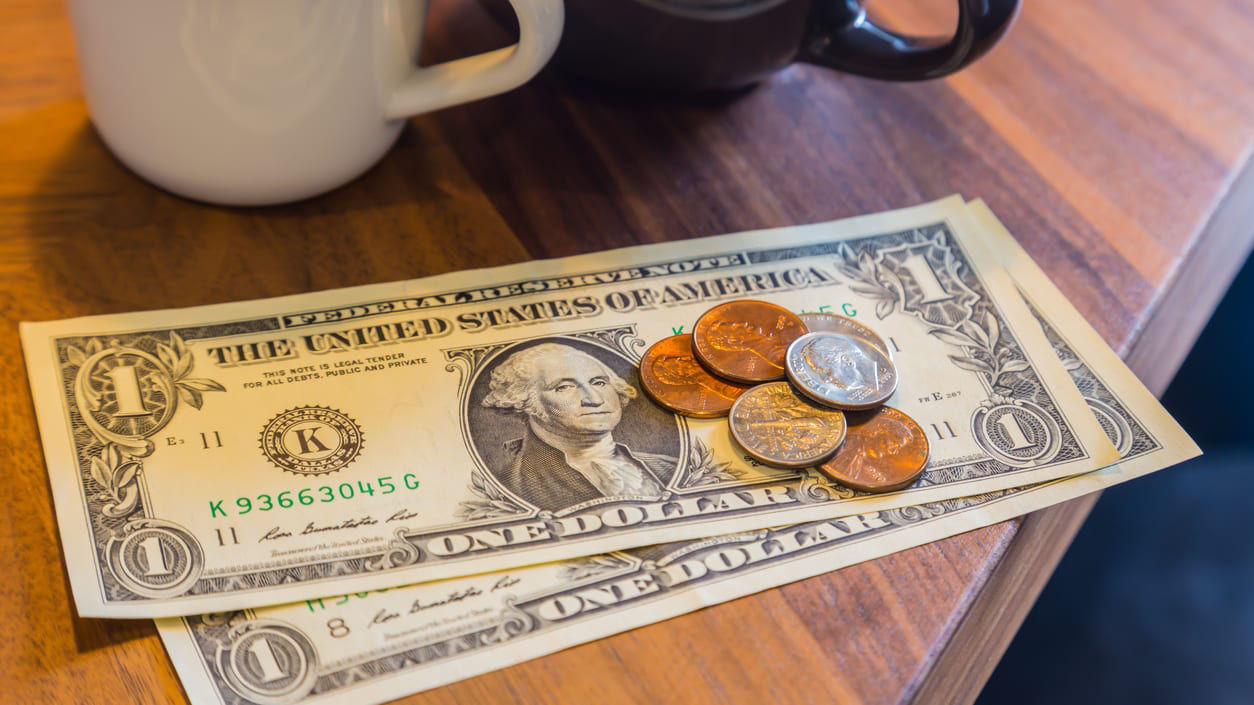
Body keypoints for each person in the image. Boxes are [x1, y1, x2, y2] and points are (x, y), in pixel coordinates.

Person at [482, 342, 676, 510]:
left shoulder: (668, 467)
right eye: (564, 387)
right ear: (523, 401)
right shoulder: (509, 487)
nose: (594, 399)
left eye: (599, 382)